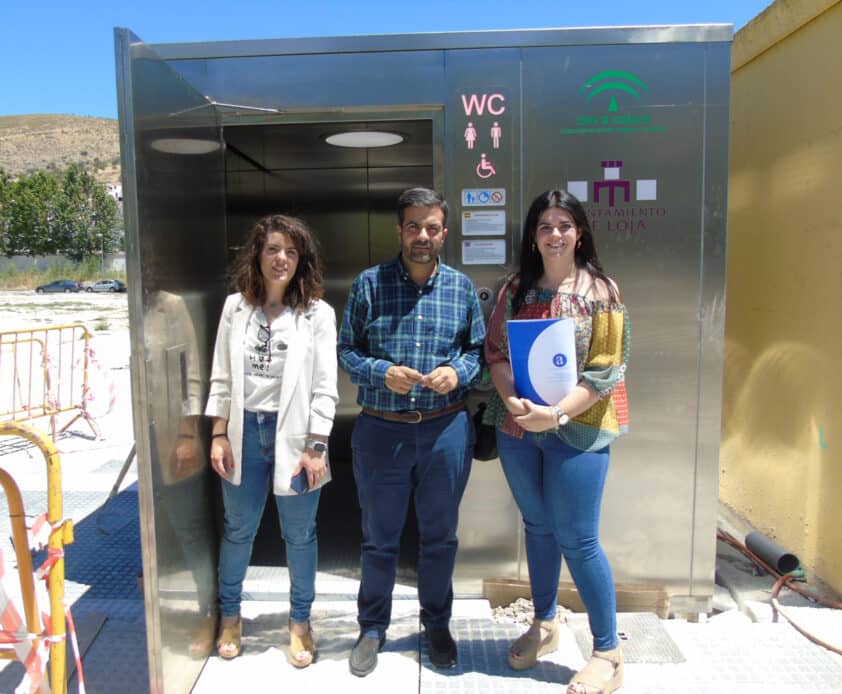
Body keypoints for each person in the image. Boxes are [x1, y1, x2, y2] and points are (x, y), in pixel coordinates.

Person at [484, 189, 629, 694]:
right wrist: (516, 403)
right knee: (537, 526)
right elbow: (496, 353)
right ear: (533, 236)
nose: (554, 234)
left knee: (579, 539)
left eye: (564, 224)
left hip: (581, 430)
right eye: (545, 226)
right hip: (520, 429)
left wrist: (557, 414)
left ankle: (608, 654)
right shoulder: (515, 290)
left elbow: (608, 368)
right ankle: (545, 623)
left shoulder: (601, 291)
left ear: (579, 231)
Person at [338, 187, 486, 677]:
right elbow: (346, 352)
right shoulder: (369, 285)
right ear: (400, 230)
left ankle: (436, 624)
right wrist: (380, 372)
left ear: (445, 232)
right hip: (383, 431)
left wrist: (459, 374)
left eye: (433, 227)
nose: (423, 235)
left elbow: (476, 351)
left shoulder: (461, 289)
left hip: (446, 430)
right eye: (414, 226)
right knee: (379, 537)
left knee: (440, 538)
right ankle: (372, 627)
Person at [205, 214, 339, 667]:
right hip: (244, 433)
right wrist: (219, 433)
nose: (281, 259)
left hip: (296, 438)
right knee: (238, 530)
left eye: (291, 251)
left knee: (299, 534)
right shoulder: (234, 309)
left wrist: (316, 446)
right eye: (272, 249)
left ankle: (300, 623)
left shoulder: (318, 313)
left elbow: (325, 386)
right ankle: (229, 617)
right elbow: (221, 376)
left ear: (301, 260)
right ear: (257, 255)